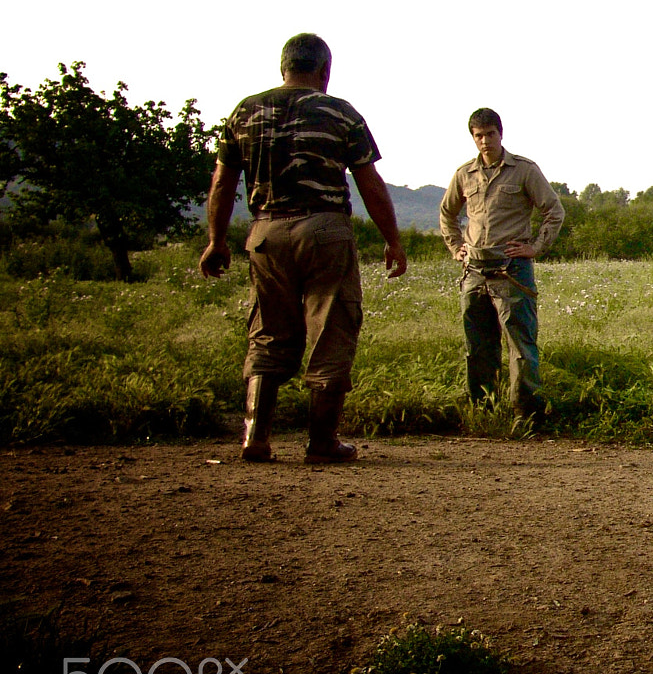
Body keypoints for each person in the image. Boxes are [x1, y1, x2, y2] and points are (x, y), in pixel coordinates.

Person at [199, 32, 408, 464]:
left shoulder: (245, 111)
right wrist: (392, 240)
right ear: (324, 71)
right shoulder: (340, 113)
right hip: (324, 229)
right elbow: (369, 182)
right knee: (331, 329)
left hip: (266, 232)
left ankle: (255, 437)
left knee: (268, 329)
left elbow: (222, 182)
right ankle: (321, 441)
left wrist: (216, 241)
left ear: (283, 67)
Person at [439, 108, 565, 417]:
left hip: (511, 269)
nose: (484, 141)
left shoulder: (524, 170)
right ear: (473, 137)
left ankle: (526, 413)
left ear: (501, 134)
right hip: (474, 269)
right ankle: (482, 410)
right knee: (478, 344)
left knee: (520, 343)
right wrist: (457, 247)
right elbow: (447, 214)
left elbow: (554, 210)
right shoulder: (464, 174)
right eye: (478, 135)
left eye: (490, 134)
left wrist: (535, 247)